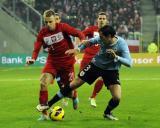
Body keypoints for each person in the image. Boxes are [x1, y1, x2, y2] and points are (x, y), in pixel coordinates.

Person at [37, 25, 132, 120]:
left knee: (117, 98)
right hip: (95, 66)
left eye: (102, 37)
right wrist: (78, 49)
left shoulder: (121, 44)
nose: (99, 38)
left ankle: (107, 113)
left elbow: (129, 63)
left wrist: (116, 57)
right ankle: (48, 104)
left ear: (109, 36)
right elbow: (89, 42)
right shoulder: (100, 38)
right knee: (74, 84)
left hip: (111, 71)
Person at [26, 9, 85, 121]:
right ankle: (44, 114)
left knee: (68, 93)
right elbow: (36, 48)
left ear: (55, 20)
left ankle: (74, 96)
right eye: (46, 22)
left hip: (67, 64)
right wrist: (33, 59)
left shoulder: (63, 27)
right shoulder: (43, 33)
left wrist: (80, 45)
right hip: (52, 62)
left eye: (50, 21)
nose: (48, 24)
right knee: (43, 83)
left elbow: (79, 33)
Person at [80, 12, 109, 107]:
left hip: (100, 60)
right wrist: (81, 42)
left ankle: (93, 97)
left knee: (103, 78)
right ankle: (71, 95)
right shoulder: (92, 29)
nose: (101, 20)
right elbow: (81, 34)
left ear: (106, 20)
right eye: (100, 18)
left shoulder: (109, 31)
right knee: (79, 80)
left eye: (103, 18)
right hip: (87, 58)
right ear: (97, 20)